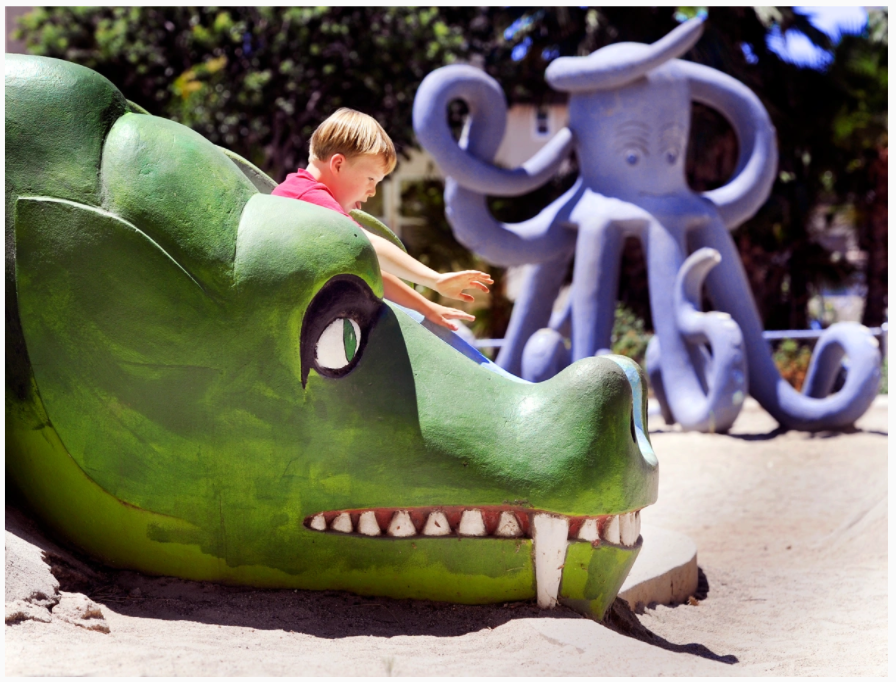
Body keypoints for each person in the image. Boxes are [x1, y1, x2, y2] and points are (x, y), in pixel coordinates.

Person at [273, 108, 492, 330]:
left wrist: (425, 307)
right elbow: (368, 246)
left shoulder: (304, 196)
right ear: (338, 164)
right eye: (371, 179)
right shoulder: (305, 196)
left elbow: (368, 270)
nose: (372, 192)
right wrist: (434, 280)